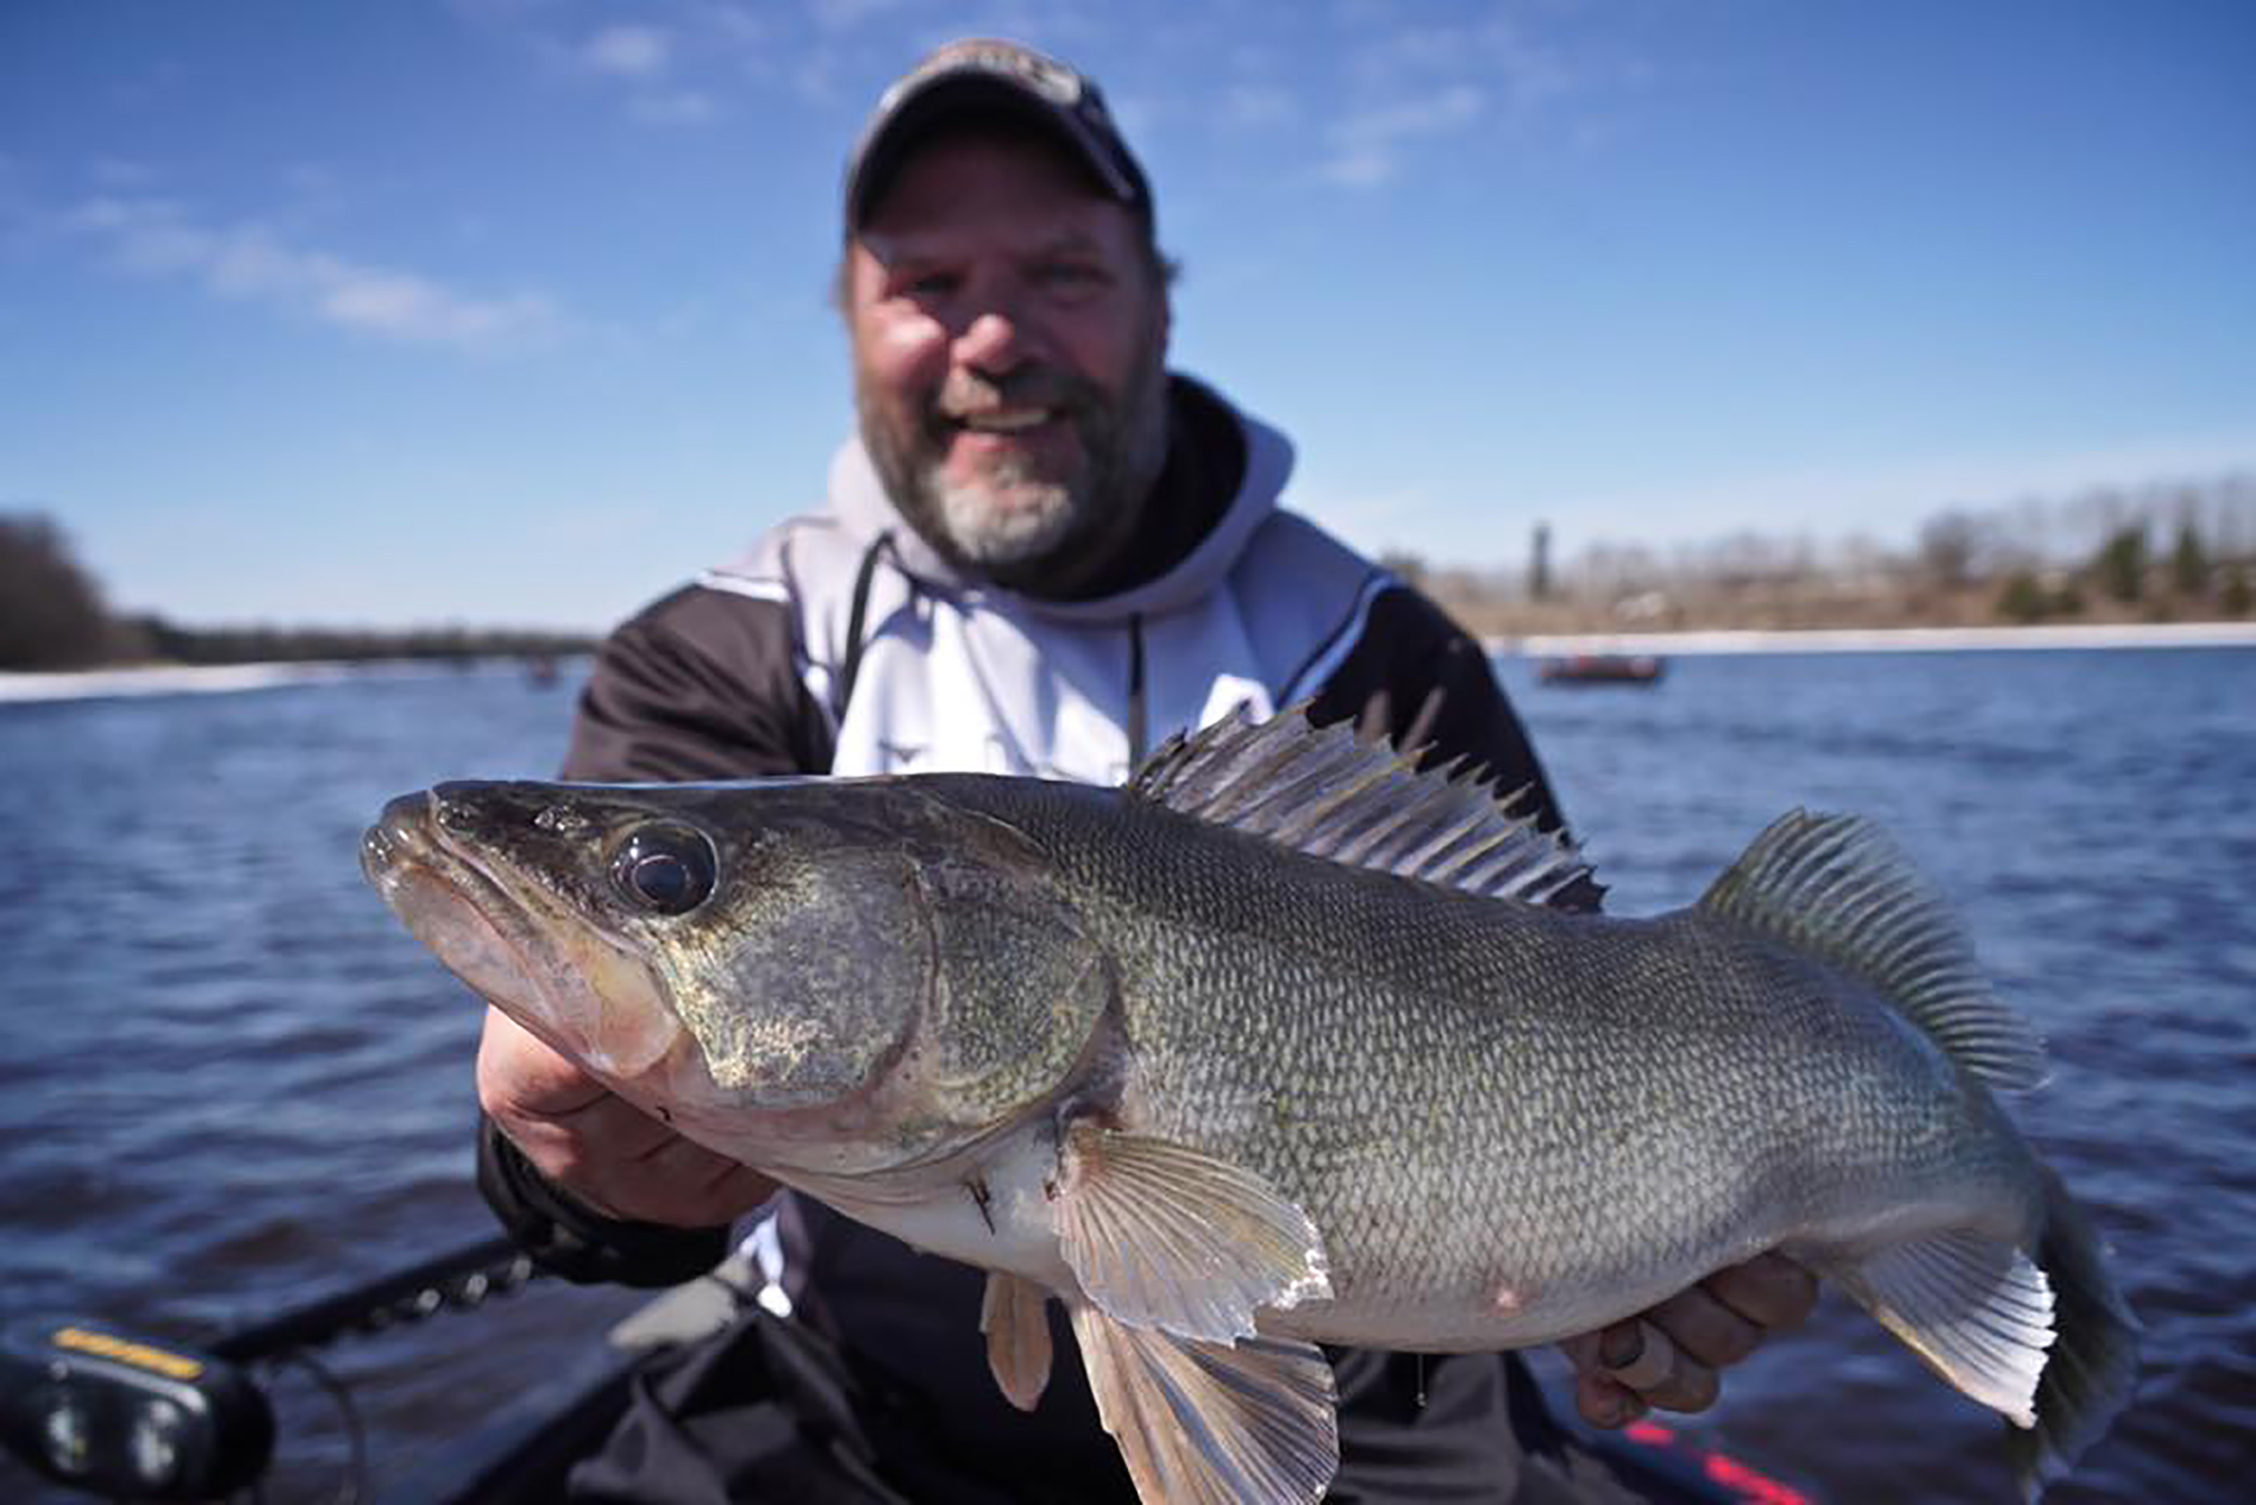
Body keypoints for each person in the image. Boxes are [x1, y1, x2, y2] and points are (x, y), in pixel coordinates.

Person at [475, 38, 1815, 1503]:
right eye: (927, 283)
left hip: (1376, 1408)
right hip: (853, 1410)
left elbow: (1571, 1007)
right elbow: (607, 1204)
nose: (993, 337)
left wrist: (1644, 1277)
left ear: (1160, 299)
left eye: (1061, 272)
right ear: (852, 323)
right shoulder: (722, 651)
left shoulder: (1375, 647)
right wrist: (576, 1174)